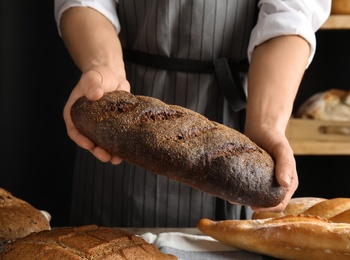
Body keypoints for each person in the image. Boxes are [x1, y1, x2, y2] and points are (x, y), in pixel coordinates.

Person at [54, 0, 331, 227]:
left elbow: (290, 14)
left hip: (233, 123)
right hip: (120, 104)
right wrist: (104, 67)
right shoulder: (111, 104)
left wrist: (266, 124)